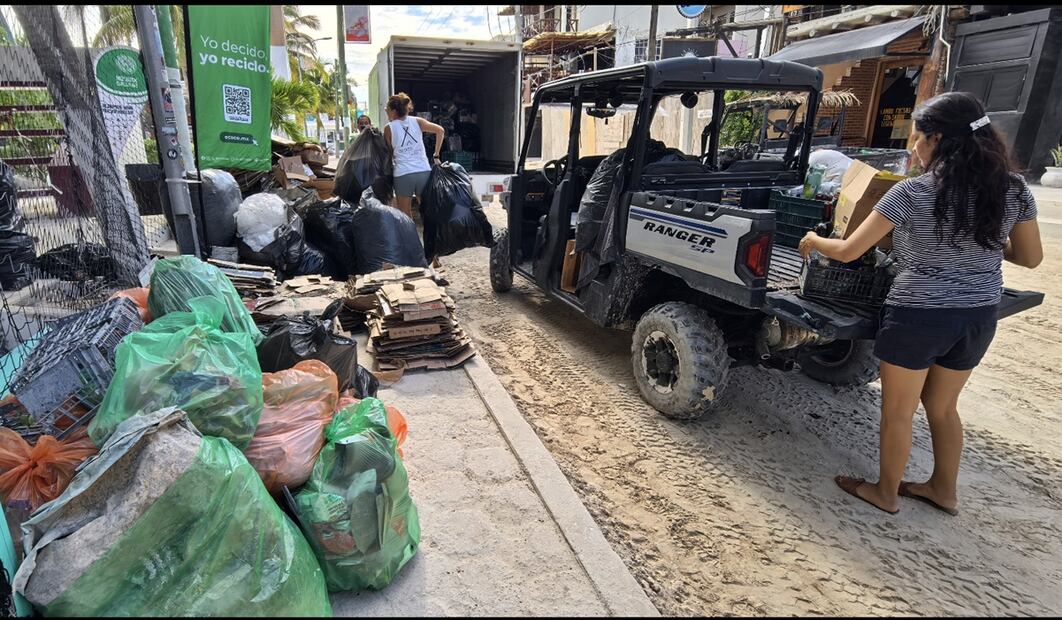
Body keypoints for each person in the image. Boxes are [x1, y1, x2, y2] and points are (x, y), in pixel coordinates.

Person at [798, 91, 1043, 516]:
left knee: (898, 412)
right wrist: (981, 241)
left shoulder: (912, 193)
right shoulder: (1014, 189)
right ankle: (943, 490)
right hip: (978, 316)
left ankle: (885, 493)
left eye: (917, 139)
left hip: (918, 316)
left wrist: (812, 240)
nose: (914, 147)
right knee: (944, 407)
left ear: (939, 139)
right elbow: (1029, 257)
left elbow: (849, 251)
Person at [383, 92, 444, 218]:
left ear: (394, 111)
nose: (386, 112)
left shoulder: (388, 128)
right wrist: (436, 154)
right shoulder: (417, 121)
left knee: (405, 215)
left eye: (387, 110)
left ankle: (411, 238)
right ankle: (431, 237)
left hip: (403, 174)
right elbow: (440, 130)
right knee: (428, 213)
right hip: (423, 171)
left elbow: (389, 154)